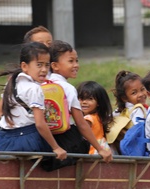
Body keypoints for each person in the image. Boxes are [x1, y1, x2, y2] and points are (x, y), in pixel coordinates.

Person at [0, 42, 67, 161]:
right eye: (39, 65)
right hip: (28, 139)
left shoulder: (13, 82)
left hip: (8, 134)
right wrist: (56, 147)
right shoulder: (35, 89)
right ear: (24, 66)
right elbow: (40, 124)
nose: (44, 70)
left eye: (46, 65)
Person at [42, 40, 112, 169]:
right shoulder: (67, 88)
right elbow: (81, 123)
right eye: (71, 61)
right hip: (61, 139)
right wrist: (100, 149)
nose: (76, 65)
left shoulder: (41, 83)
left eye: (77, 61)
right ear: (55, 65)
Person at [0, 26, 54, 121]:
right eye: (40, 43)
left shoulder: (55, 76)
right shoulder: (18, 80)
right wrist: (13, 129)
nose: (46, 46)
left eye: (49, 43)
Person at [107, 70, 148, 153]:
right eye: (134, 93)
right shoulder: (137, 110)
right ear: (125, 98)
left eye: (142, 89)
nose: (140, 94)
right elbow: (142, 130)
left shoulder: (120, 111)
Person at [77, 81, 113, 155]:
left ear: (99, 102)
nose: (84, 102)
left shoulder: (88, 119)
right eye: (81, 98)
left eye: (90, 99)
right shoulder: (98, 117)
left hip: (92, 151)